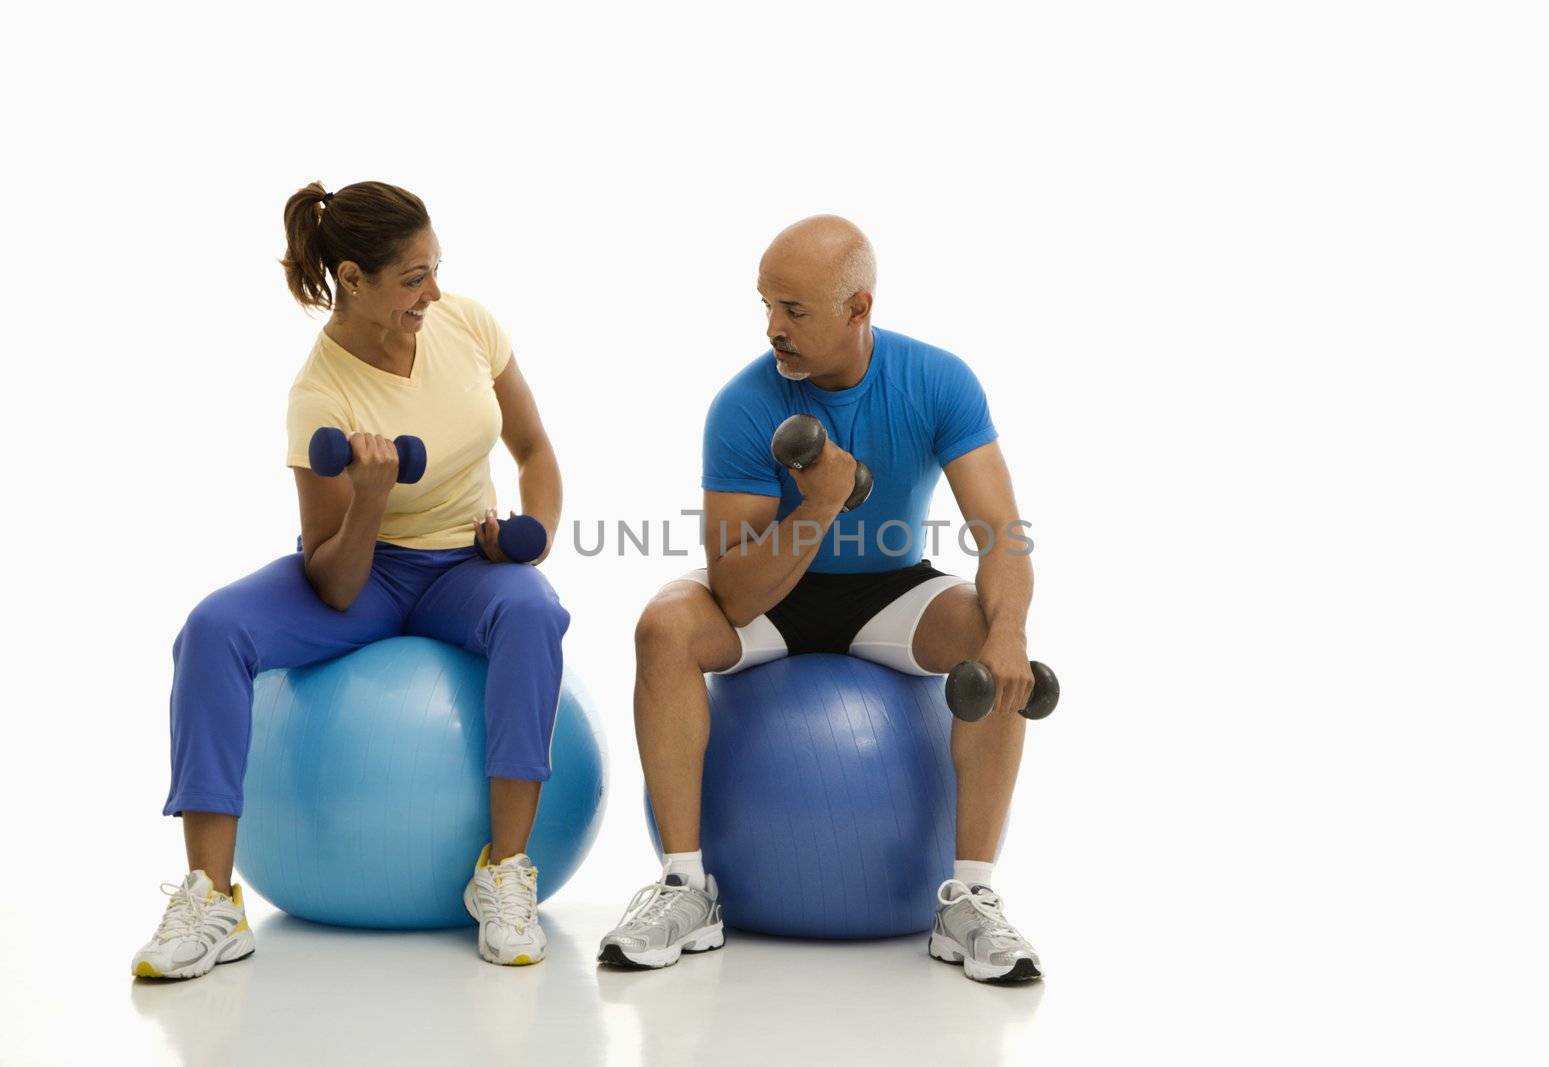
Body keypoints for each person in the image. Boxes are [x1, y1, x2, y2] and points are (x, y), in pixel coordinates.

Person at [132, 181, 569, 979]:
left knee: (535, 613)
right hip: (363, 571)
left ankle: (504, 874)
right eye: (412, 279)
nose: (432, 294)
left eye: (435, 270)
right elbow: (334, 583)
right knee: (213, 628)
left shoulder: (467, 326)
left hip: (467, 566)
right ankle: (211, 899)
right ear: (353, 278)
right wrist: (369, 496)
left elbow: (535, 449)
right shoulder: (319, 394)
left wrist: (529, 538)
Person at [599, 215, 1045, 983]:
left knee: (989, 629)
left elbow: (1001, 532)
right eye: (767, 304)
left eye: (794, 310)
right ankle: (684, 887)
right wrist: (819, 506)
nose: (773, 327)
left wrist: (1008, 635)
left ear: (858, 308)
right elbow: (735, 593)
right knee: (666, 624)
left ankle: (969, 898)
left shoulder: (937, 380)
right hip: (772, 588)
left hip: (889, 591)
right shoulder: (743, 404)